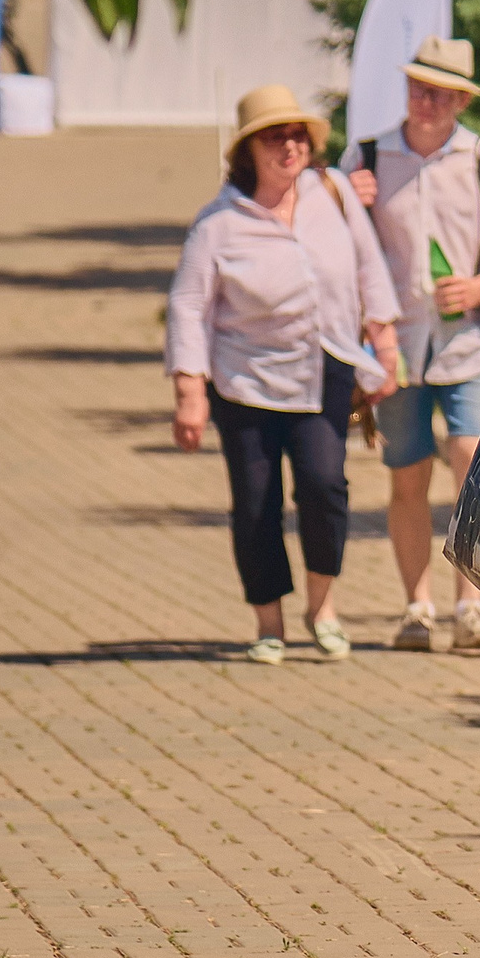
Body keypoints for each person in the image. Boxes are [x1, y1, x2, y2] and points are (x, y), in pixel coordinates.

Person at [167, 86, 402, 664]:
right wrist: (189, 394)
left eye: (298, 135)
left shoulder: (334, 191)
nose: (290, 146)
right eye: (275, 136)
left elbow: (370, 265)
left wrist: (385, 338)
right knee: (256, 501)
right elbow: (188, 309)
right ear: (248, 150)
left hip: (326, 365)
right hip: (245, 381)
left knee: (325, 488)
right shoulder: (217, 224)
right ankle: (268, 622)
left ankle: (321, 607)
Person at [343, 36, 480, 652]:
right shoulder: (369, 157)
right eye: (416, 87)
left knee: (472, 467)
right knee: (407, 477)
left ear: (461, 99)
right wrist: (345, 204)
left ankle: (473, 608)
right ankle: (416, 608)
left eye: (438, 91)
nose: (424, 100)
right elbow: (332, 244)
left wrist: (477, 286)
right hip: (395, 349)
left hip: (469, 348)